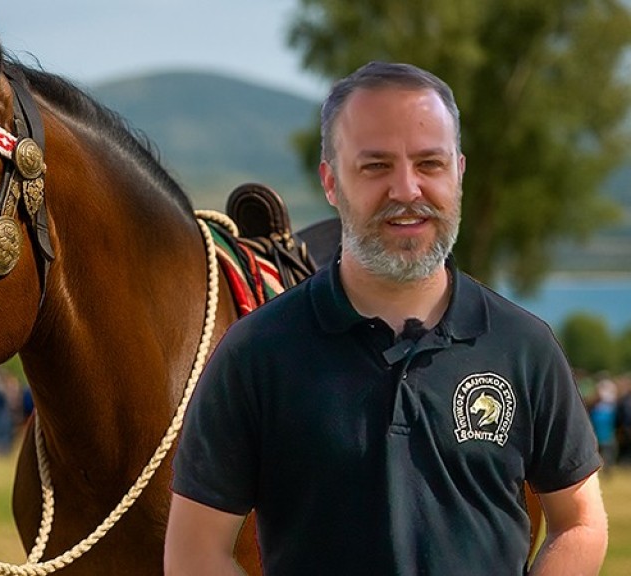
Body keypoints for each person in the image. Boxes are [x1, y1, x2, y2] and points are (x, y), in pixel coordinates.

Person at [165, 62, 608, 575]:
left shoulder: (524, 345)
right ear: (331, 181)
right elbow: (195, 551)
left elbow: (579, 521)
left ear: (458, 173)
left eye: (429, 164)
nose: (406, 190)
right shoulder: (256, 354)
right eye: (375, 166)